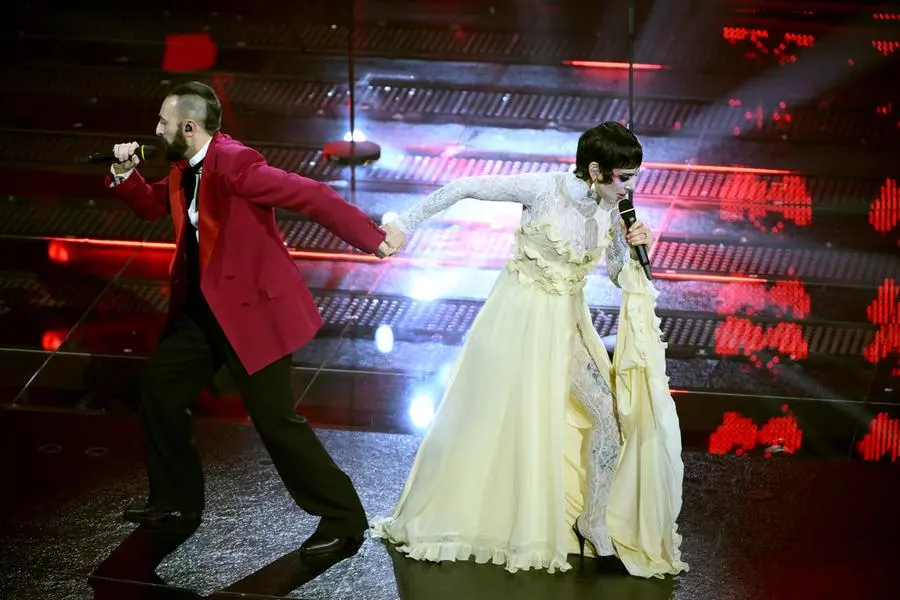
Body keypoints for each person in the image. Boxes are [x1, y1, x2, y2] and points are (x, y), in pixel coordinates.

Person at [372, 122, 688, 578]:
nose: (631, 187)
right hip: (518, 318)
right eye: (624, 177)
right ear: (595, 170)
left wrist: (639, 245)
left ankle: (593, 521)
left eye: (635, 176)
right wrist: (404, 224)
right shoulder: (543, 189)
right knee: (492, 418)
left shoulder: (614, 210)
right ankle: (484, 510)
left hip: (567, 324)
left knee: (607, 413)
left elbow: (619, 274)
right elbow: (463, 187)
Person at [106, 81, 395, 561]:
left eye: (163, 122)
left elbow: (312, 195)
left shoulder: (237, 166)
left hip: (249, 314)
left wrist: (372, 238)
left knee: (276, 421)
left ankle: (344, 518)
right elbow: (153, 204)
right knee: (159, 391)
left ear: (190, 128)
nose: (155, 130)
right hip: (201, 312)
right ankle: (176, 502)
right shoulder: (183, 167)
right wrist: (123, 172)